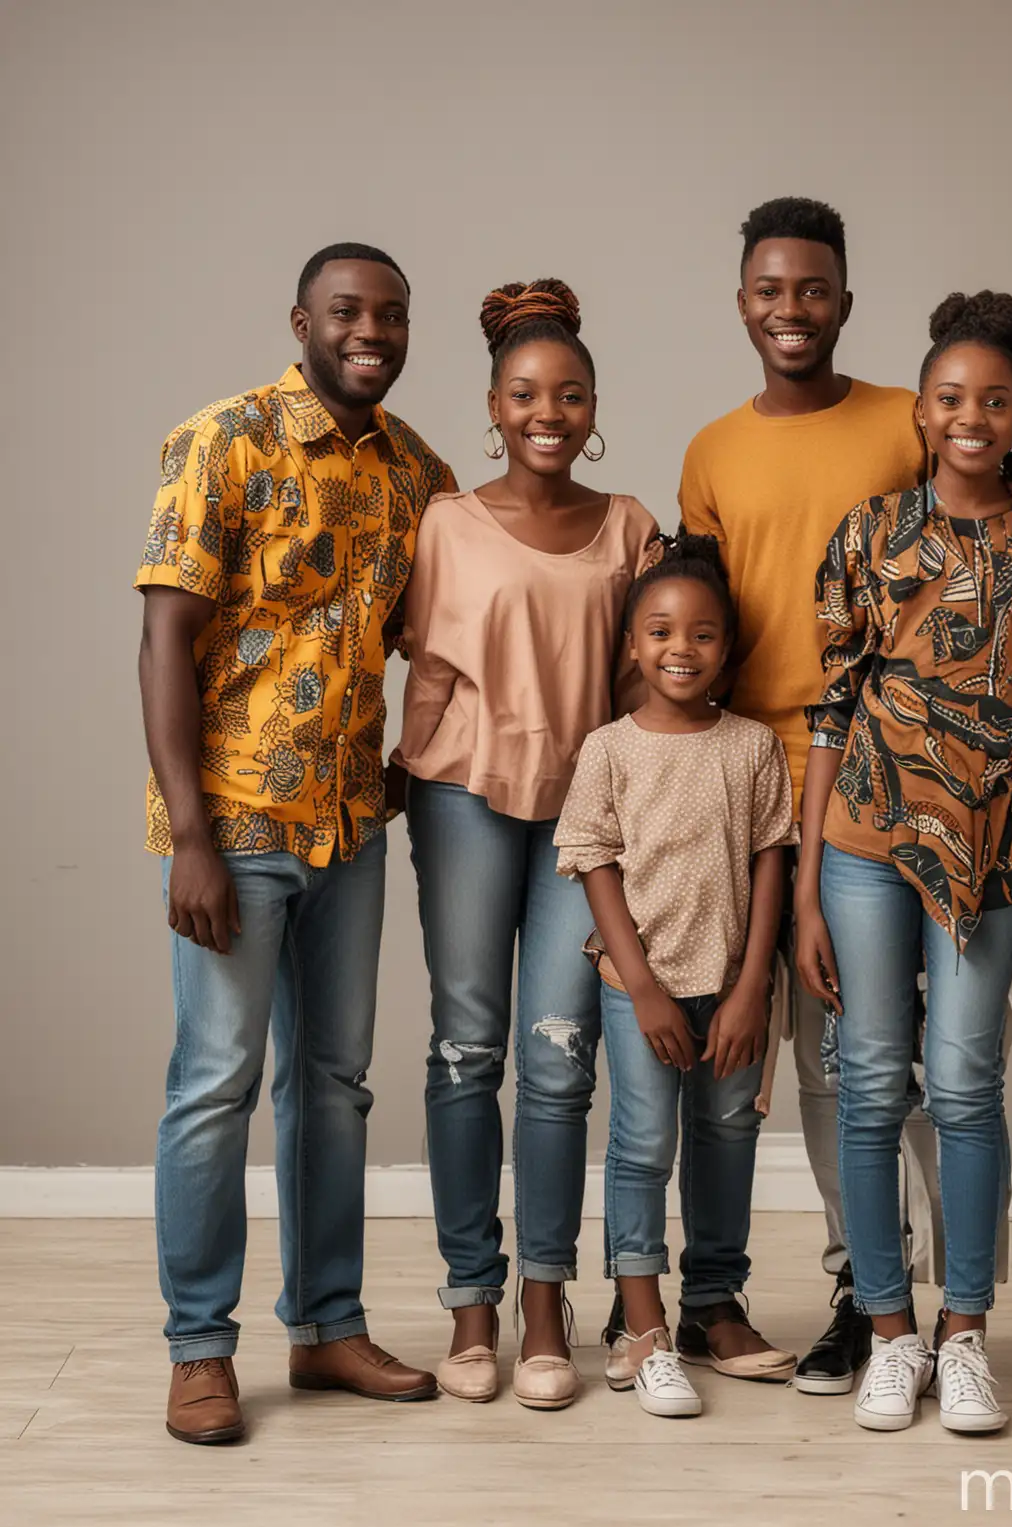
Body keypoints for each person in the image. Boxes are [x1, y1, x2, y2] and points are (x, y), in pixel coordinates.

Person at [136, 243, 454, 1445]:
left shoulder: (415, 470)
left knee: (332, 1088)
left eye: (390, 315)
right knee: (216, 1083)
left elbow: (450, 631)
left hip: (351, 832)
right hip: (235, 828)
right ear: (302, 322)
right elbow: (167, 641)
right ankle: (200, 1350)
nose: (371, 331)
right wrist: (190, 837)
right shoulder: (223, 441)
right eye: (346, 312)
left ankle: (325, 1326)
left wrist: (419, 758)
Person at [674, 196, 990, 1394]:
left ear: (846, 301)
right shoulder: (711, 450)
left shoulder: (903, 424)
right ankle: (869, 1294)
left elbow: (978, 509)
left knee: (931, 1062)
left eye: (813, 289)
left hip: (907, 764)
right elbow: (697, 612)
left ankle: (959, 1306)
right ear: (742, 301)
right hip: (766, 778)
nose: (790, 309)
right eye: (769, 289)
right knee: (830, 1062)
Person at [796, 292, 1012, 1435]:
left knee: (967, 1088)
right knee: (871, 1087)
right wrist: (817, 876)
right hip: (867, 844)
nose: (974, 417)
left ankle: (964, 1334)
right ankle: (889, 1333)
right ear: (921, 413)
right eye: (953, 399)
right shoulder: (869, 533)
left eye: (998, 401)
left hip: (991, 857)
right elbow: (831, 709)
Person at [392, 279, 660, 1409]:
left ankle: (543, 1306)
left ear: (592, 406)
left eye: (569, 394)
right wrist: (394, 775)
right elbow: (432, 670)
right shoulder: (447, 520)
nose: (547, 411)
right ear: (494, 406)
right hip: (460, 796)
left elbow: (657, 678)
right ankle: (470, 1307)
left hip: (583, 817)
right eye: (524, 394)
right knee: (466, 1051)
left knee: (558, 1057)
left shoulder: (630, 526)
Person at [554, 535, 797, 1416]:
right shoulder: (609, 750)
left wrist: (750, 990)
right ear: (631, 645)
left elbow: (774, 859)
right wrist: (643, 985)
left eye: (701, 635)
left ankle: (712, 1308)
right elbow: (591, 862)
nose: (680, 650)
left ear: (727, 649)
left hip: (732, 986)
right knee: (644, 1147)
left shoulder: (754, 747)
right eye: (660, 632)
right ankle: (641, 1325)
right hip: (639, 989)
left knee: (728, 1140)